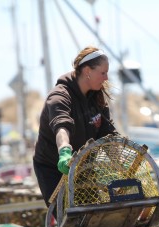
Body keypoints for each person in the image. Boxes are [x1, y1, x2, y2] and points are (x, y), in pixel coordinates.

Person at [33, 46, 118, 207]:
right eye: (103, 73)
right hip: (54, 167)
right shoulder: (59, 96)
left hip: (83, 166)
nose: (106, 78)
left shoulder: (97, 98)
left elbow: (108, 134)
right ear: (87, 71)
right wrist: (64, 151)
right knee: (69, 218)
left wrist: (119, 161)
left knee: (93, 214)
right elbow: (61, 126)